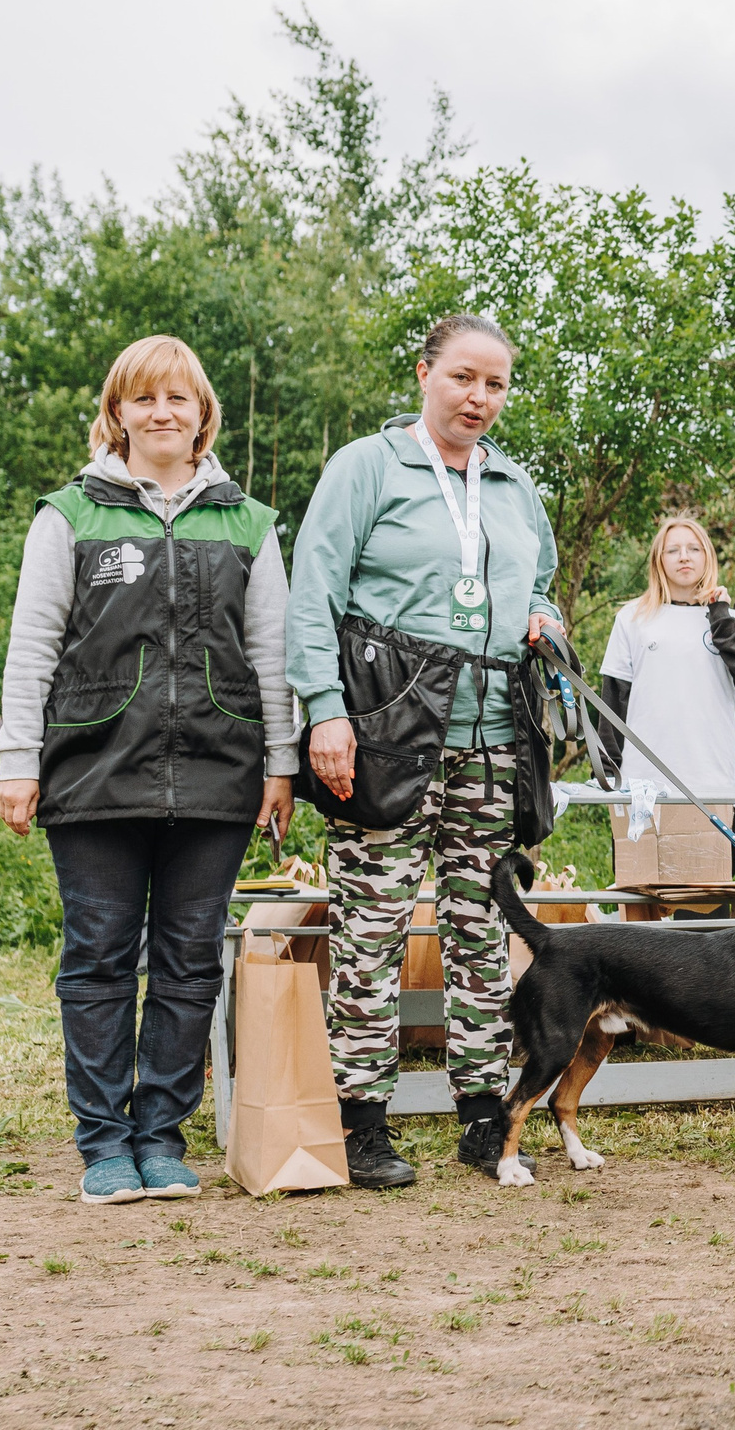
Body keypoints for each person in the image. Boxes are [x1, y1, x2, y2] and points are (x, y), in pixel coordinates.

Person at [0, 335, 295, 1206]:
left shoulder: (249, 521)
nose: (163, 413)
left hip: (218, 772)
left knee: (190, 961)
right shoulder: (70, 514)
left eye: (180, 400)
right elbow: (33, 645)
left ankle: (161, 1135)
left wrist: (279, 761)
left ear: (204, 416)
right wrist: (20, 760)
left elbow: (272, 654)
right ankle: (103, 1144)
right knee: (96, 958)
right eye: (145, 399)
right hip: (92, 770)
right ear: (117, 412)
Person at [287, 313, 568, 1189]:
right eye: (463, 378)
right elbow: (312, 594)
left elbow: (544, 585)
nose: (479, 397)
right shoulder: (367, 466)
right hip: (385, 736)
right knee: (371, 929)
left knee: (482, 927)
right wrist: (324, 712)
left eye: (496, 384)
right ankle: (362, 1118)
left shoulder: (517, 485)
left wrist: (544, 619)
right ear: (424, 374)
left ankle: (486, 1114)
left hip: (491, 738)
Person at [594, 514, 735, 887]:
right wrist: (610, 776)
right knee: (641, 900)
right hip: (641, 785)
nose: (684, 557)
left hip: (709, 782)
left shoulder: (734, 620)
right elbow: (612, 703)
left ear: (707, 556)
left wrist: (721, 618)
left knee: (703, 905)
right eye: (673, 550)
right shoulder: (632, 618)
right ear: (659, 560)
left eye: (693, 549)